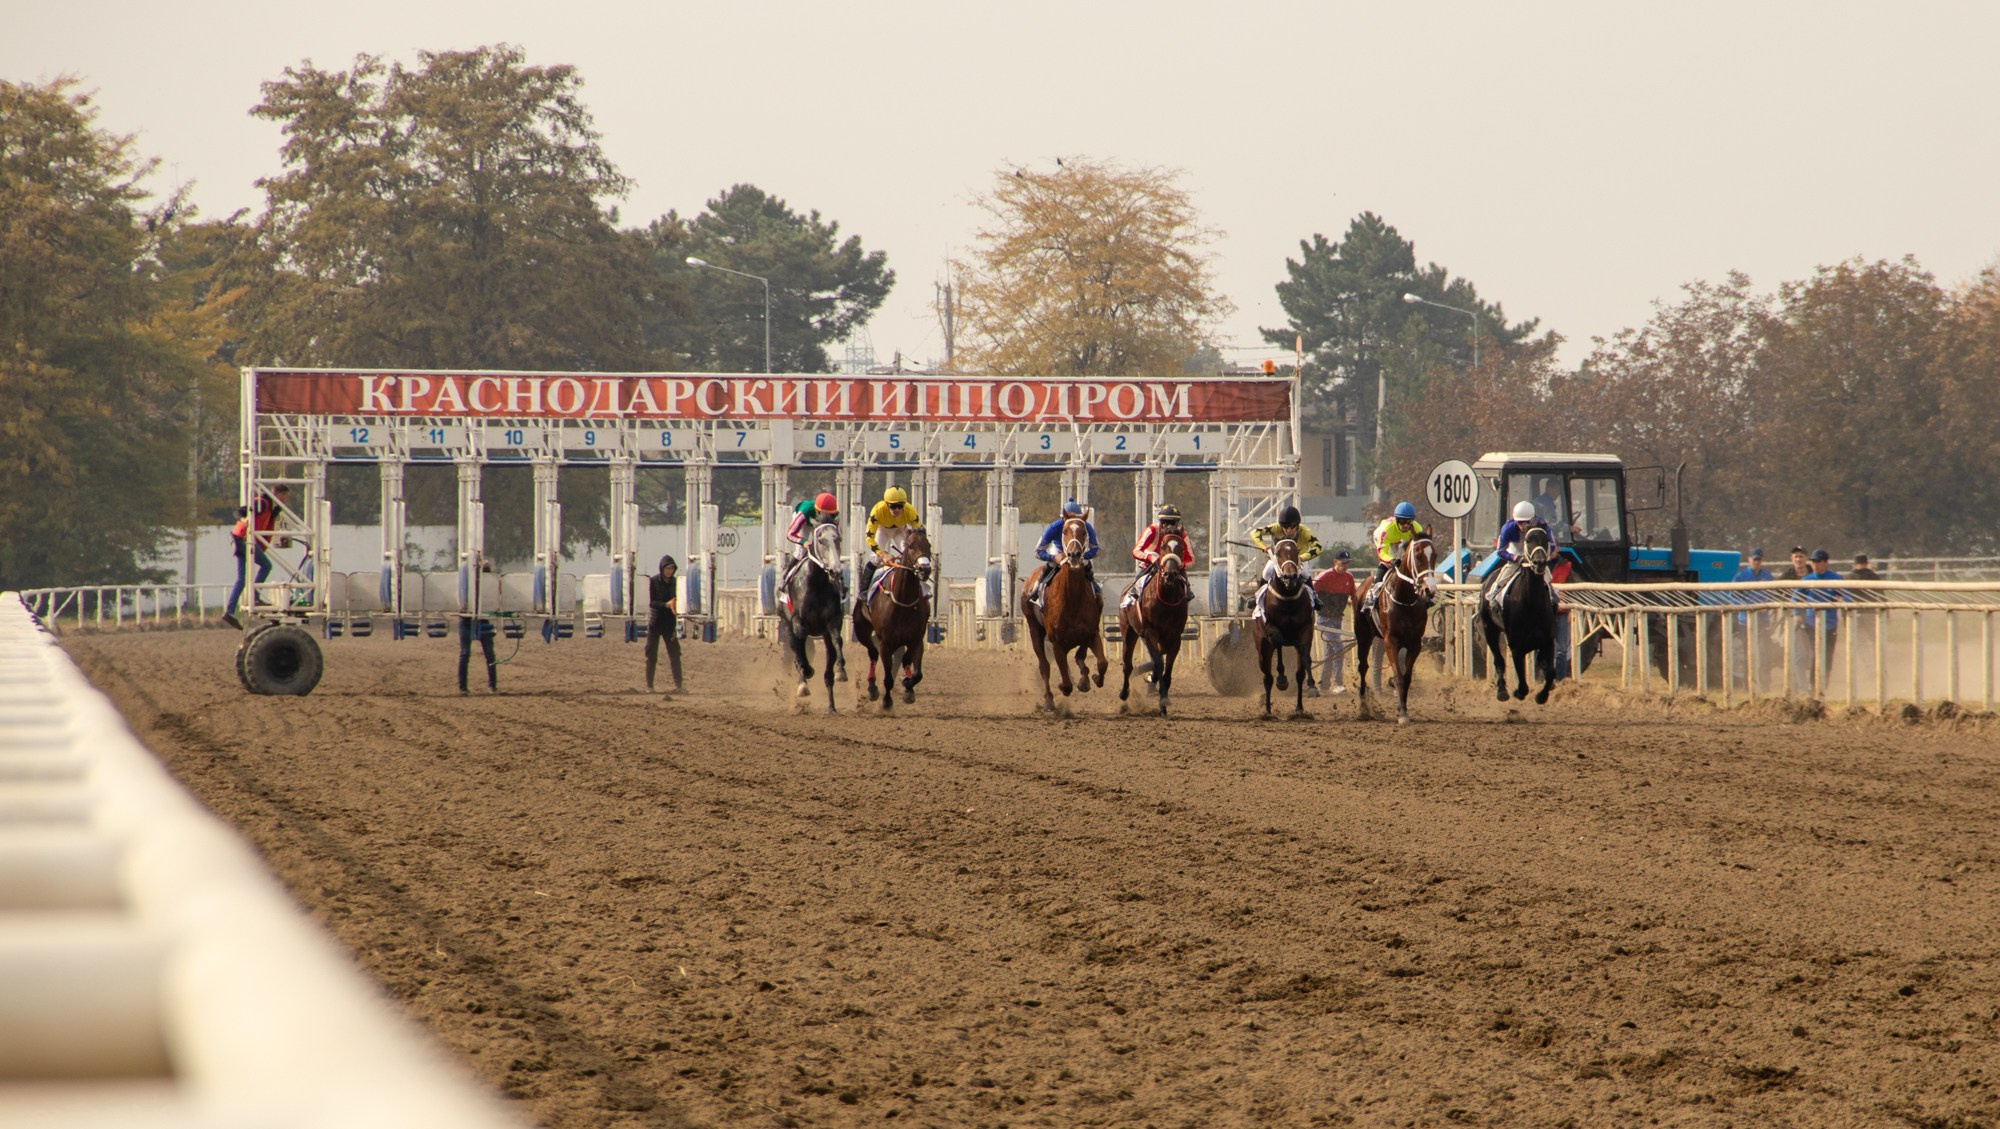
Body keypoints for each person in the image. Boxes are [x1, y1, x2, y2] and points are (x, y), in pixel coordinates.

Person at [223, 484, 290, 629]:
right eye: (284, 496)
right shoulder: (262, 503)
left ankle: (229, 611)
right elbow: (239, 511)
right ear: (276, 494)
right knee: (266, 566)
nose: (285, 500)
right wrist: (244, 519)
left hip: (239, 538)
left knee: (242, 578)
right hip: (244, 540)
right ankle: (254, 596)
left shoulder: (270, 507)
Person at [1250, 505, 1323, 618]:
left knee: (1305, 573)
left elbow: (1318, 547)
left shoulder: (1305, 531)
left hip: (1298, 560)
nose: (1288, 530)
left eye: (1292, 526)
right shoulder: (1276, 528)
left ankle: (1314, 597)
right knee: (1266, 571)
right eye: (1285, 526)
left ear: (1297, 525)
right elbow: (1254, 532)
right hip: (1280, 560)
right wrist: (1265, 547)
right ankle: (1256, 597)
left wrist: (1303, 557)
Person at [858, 485, 925, 603]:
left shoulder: (910, 511)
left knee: (910, 557)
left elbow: (920, 534)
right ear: (886, 504)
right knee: (875, 559)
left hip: (899, 530)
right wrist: (883, 555)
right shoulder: (877, 510)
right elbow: (869, 539)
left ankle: (922, 588)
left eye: (900, 506)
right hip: (881, 530)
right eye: (893, 506)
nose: (897, 510)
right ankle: (863, 591)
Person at [1028, 499, 1099, 606]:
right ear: (1063, 518)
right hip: (1058, 551)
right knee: (1049, 566)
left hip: (1079, 553)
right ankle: (1036, 590)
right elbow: (1038, 551)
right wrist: (1053, 558)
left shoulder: (1086, 526)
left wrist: (1084, 556)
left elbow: (1097, 549)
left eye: (1077, 519)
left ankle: (1096, 590)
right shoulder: (1054, 527)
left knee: (1087, 566)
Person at [1794, 548, 1843, 696]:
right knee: (1816, 654)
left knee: (1828, 655)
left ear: (1826, 563)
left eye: (1818, 562)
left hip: (1830, 624)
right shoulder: (1807, 581)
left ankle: (1823, 685)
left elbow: (1846, 596)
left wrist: (1842, 601)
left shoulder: (1836, 579)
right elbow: (1795, 599)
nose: (1815, 565)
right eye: (1813, 562)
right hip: (1811, 624)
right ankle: (1813, 686)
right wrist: (1797, 614)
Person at [1126, 503, 1195, 608]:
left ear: (1177, 523)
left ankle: (1187, 593)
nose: (1169, 526)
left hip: (1174, 567)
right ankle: (1132, 594)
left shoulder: (1182, 535)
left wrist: (1182, 565)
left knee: (1184, 582)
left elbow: (1191, 559)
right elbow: (1136, 551)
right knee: (1137, 582)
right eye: (1165, 522)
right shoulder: (1152, 530)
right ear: (1161, 523)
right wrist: (1151, 557)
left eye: (1172, 523)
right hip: (1150, 565)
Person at [1363, 502, 1427, 614]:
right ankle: (1371, 598)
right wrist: (1392, 560)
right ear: (1396, 520)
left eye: (1409, 522)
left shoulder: (1417, 529)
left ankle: (1425, 597)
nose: (1406, 525)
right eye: (1402, 521)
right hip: (1387, 541)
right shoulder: (1385, 530)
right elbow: (1382, 553)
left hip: (1404, 541)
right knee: (1386, 565)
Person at [1312, 550, 1357, 694]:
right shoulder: (1324, 577)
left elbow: (1354, 597)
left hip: (1338, 619)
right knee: (1339, 647)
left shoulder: (1349, 578)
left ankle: (1323, 684)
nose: (1345, 566)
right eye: (1343, 563)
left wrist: (1353, 605)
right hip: (1325, 619)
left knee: (1330, 653)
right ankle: (1338, 683)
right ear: (1335, 562)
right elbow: (1311, 592)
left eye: (1347, 563)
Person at [781, 492, 840, 601]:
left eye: (830, 515)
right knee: (800, 552)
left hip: (821, 527)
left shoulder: (833, 515)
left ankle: (841, 584)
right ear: (817, 511)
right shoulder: (805, 512)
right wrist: (804, 542)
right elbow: (790, 534)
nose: (827, 517)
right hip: (806, 523)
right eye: (823, 514)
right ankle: (784, 580)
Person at [1732, 547, 1776, 689]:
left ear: (1762, 560)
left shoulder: (1767, 576)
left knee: (1764, 653)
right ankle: (1748, 686)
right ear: (1749, 559)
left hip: (1763, 621)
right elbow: (1733, 596)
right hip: (1745, 621)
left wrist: (1767, 605)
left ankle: (1765, 684)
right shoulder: (1740, 577)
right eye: (1754, 559)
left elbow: (1773, 595)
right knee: (1747, 654)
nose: (1756, 562)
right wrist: (1749, 607)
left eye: (1759, 559)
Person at [646, 554, 684, 696]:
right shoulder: (654, 581)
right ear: (662, 569)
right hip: (655, 623)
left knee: (675, 654)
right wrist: (665, 605)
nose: (670, 571)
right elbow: (652, 602)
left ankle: (678, 685)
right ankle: (650, 686)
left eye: (672, 569)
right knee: (651, 654)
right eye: (667, 568)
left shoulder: (676, 582)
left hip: (670, 624)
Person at [458, 560, 497, 695]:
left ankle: (493, 686)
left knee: (490, 655)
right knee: (465, 654)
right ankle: (463, 687)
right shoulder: (464, 583)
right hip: (466, 621)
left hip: (483, 620)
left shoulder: (487, 585)